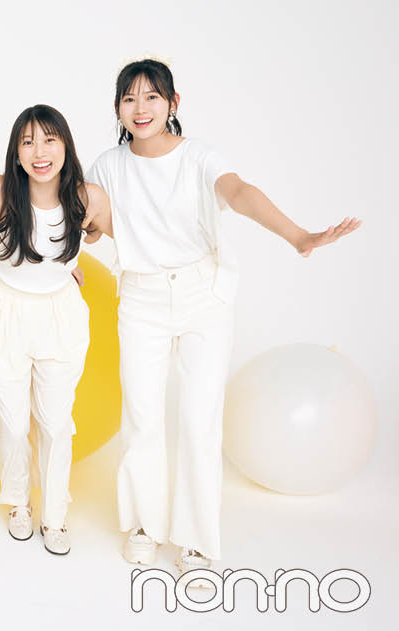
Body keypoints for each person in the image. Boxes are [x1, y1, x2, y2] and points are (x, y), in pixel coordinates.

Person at [87, 59, 360, 576]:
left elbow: (239, 193)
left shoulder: (199, 157)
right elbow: (91, 221)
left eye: (151, 97)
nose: (140, 108)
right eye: (129, 99)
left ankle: (196, 542)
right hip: (141, 298)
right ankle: (145, 526)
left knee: (198, 419)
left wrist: (298, 235)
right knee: (142, 417)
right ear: (118, 108)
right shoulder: (107, 166)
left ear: (173, 103)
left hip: (202, 296)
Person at [0, 104, 110, 555]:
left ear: (66, 145)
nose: (39, 152)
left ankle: (55, 515)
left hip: (59, 316)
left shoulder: (87, 197)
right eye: (27, 142)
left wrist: (66, 264)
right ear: (16, 152)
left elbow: (109, 232)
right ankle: (18, 502)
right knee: (13, 422)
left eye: (49, 140)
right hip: (6, 313)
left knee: (55, 422)